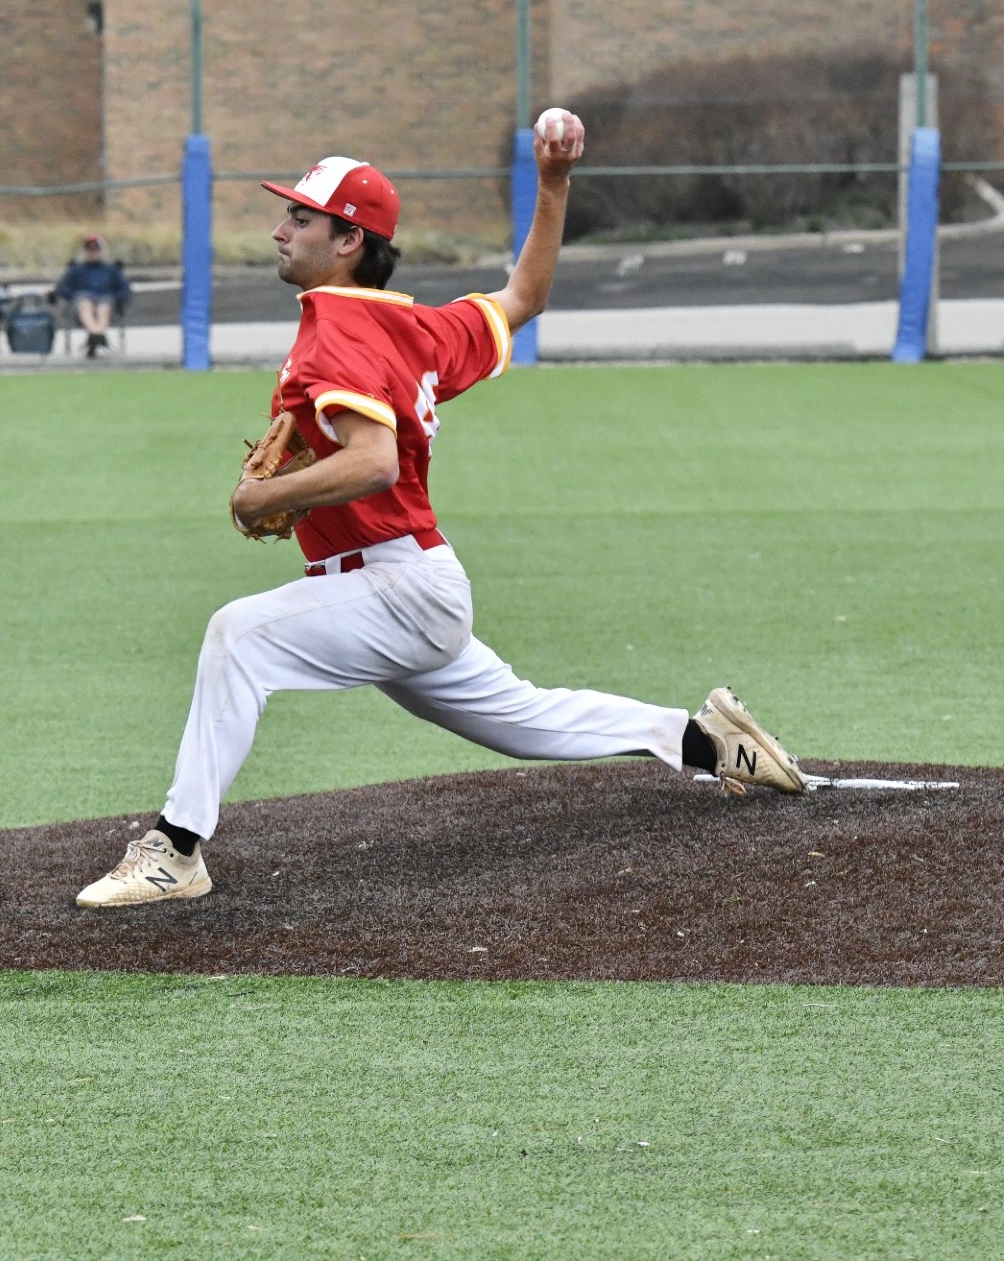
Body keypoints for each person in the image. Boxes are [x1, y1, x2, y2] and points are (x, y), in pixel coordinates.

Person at [76, 111, 812, 910]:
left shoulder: (337, 326)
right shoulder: (415, 326)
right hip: (407, 586)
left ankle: (176, 850)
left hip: (394, 589)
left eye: (300, 216)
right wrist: (555, 183)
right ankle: (705, 740)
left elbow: (374, 461)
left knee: (236, 637)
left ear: (348, 240)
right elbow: (524, 295)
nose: (281, 228)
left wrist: (265, 495)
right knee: (526, 720)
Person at [53, 233, 132, 357]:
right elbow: (62, 288)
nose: (92, 252)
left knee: (103, 308)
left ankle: (95, 336)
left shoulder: (111, 270)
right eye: (89, 250)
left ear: (101, 251)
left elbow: (125, 290)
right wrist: (74, 296)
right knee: (85, 305)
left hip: (107, 302)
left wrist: (116, 299)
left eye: (95, 249)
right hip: (81, 303)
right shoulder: (76, 270)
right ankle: (98, 335)